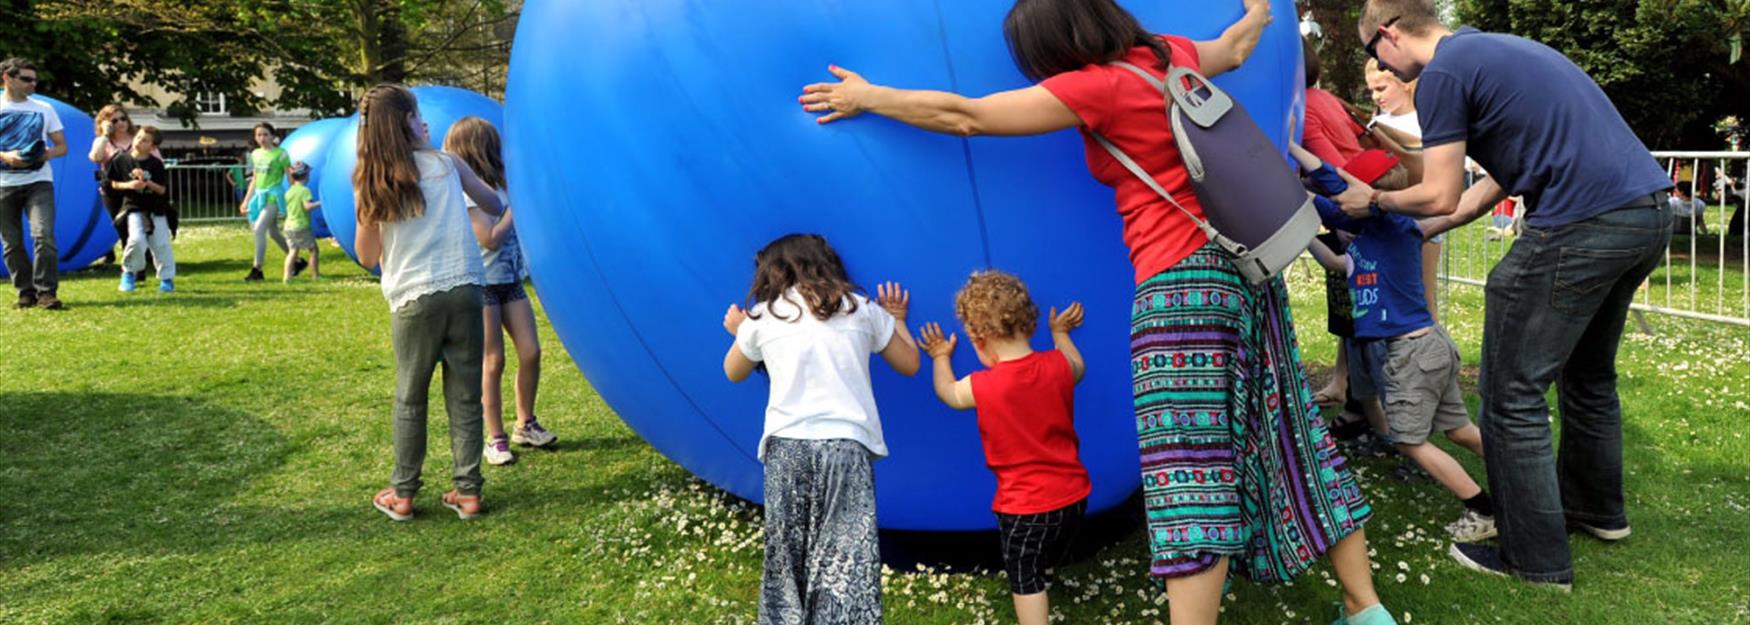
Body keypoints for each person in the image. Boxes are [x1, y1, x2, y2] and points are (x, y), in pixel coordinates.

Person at [798, 2, 1395, 623]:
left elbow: (966, 116)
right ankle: (1366, 608)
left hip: (1179, 294)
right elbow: (1235, 47)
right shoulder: (1167, 55)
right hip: (1246, 273)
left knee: (1187, 471)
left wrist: (870, 97)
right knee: (1290, 429)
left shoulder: (1096, 87)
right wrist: (1260, 11)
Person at [1350, 0, 1674, 589]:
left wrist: (1373, 203)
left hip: (1581, 222)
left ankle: (1534, 559)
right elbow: (1480, 192)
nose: (1386, 72)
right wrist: (1416, 231)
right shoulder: (1500, 51)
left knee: (1510, 396)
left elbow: (1440, 189)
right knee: (1589, 377)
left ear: (1390, 36)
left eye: (1378, 58)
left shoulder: (1443, 72)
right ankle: (1596, 512)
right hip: (1646, 213)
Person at [1292, 144, 1496, 544]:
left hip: (1410, 353)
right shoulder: (1370, 237)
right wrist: (1301, 220)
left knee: (1410, 442)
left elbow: (1334, 186)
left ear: (1368, 196)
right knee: (1457, 430)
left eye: (1349, 197)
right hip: (1425, 347)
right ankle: (1527, 482)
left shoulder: (1392, 224)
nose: (1340, 203)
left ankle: (1483, 509)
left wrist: (1290, 150)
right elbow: (1335, 257)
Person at [722, 234, 919, 625]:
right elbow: (910, 363)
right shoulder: (860, 309)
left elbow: (733, 371)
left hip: (788, 447)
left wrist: (741, 332)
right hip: (846, 446)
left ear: (772, 273)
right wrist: (897, 320)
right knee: (846, 553)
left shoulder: (765, 315)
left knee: (786, 551)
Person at [351, 84, 508, 522]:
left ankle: (403, 495)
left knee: (410, 396)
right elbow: (493, 204)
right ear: (408, 121)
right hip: (464, 287)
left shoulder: (371, 178)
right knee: (464, 393)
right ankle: (469, 493)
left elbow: (366, 256)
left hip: (413, 296)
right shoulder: (447, 163)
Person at [916, 271, 1089, 625]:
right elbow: (1078, 368)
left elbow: (948, 393)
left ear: (978, 342)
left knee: (1024, 574)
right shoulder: (1057, 365)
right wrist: (1060, 335)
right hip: (1074, 496)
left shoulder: (984, 385)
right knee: (1049, 548)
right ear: (1029, 324)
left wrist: (939, 357)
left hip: (1024, 507)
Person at [444, 116, 557, 467]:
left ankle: (526, 422)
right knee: (493, 361)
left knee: (531, 351)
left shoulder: (502, 184)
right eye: (494, 144)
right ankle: (495, 438)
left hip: (509, 282)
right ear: (480, 148)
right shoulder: (467, 192)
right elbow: (489, 239)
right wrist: (515, 212)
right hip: (482, 285)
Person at [1365, 59, 1442, 322]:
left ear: (1406, 84)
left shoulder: (1426, 122)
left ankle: (1435, 358)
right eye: (1371, 91)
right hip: (1383, 220)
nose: (1376, 96)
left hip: (1423, 223)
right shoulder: (1374, 123)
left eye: (1381, 88)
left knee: (1423, 296)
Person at [0, 57, 67, 310]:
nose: (33, 84)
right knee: (12, 243)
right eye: (26, 79)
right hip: (3, 183)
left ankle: (47, 293)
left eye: (35, 79)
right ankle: (25, 293)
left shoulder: (44, 108)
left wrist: (46, 154)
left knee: (44, 236)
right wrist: (5, 156)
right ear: (7, 77)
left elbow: (62, 146)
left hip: (39, 181)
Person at [105, 126, 175, 293]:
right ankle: (129, 273)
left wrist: (146, 182)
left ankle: (166, 278)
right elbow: (110, 184)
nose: (139, 142)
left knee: (161, 244)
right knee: (136, 239)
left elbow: (163, 190)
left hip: (156, 208)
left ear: (152, 146)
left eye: (145, 140)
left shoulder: (156, 164)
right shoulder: (120, 160)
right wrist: (129, 184)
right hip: (133, 207)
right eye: (138, 137)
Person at [88, 104, 159, 269]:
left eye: (123, 118)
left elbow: (156, 160)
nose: (120, 123)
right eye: (114, 120)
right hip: (113, 190)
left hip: (139, 190)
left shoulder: (138, 138)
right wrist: (105, 135)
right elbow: (95, 157)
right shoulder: (103, 142)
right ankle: (133, 264)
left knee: (143, 224)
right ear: (105, 123)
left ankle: (146, 257)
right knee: (123, 227)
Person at [239, 122, 300, 282]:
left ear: (273, 136)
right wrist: (246, 200)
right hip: (259, 195)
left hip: (274, 196)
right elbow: (255, 178)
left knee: (259, 229)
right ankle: (297, 261)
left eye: (266, 134)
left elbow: (289, 175)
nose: (262, 138)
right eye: (259, 135)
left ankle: (257, 269)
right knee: (273, 232)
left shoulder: (281, 154)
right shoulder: (256, 154)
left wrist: (295, 194)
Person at [281, 162, 321, 282]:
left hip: (288, 226)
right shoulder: (304, 191)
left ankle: (286, 277)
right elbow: (307, 206)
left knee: (293, 251)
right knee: (313, 250)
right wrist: (321, 202)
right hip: (301, 226)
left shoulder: (289, 191)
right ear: (305, 175)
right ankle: (315, 276)